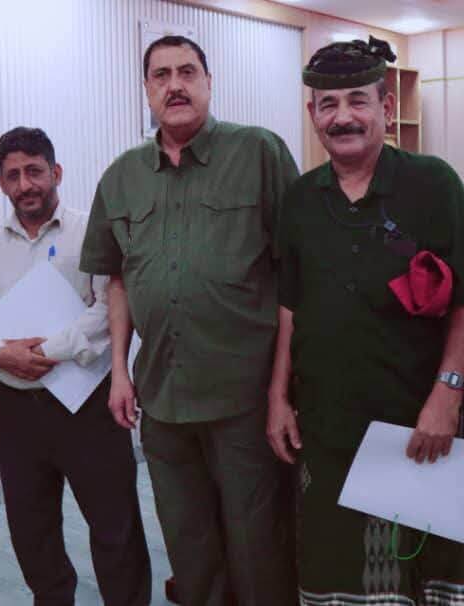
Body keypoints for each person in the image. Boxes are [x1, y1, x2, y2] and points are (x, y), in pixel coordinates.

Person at [267, 37, 464, 605]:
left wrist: (447, 395)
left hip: (415, 424)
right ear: (312, 114)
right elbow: (290, 306)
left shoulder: (433, 184)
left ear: (386, 107)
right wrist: (277, 396)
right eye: (328, 104)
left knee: (418, 574)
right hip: (326, 427)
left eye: (357, 101)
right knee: (334, 574)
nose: (342, 116)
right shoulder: (300, 199)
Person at [80, 35, 300, 605]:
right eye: (161, 75)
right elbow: (118, 277)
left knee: (258, 545)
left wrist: (282, 390)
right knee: (188, 545)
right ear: (146, 89)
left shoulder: (259, 153)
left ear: (208, 81)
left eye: (187, 72)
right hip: (163, 400)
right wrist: (120, 371)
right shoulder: (122, 175)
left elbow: (296, 277)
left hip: (244, 398)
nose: (174, 85)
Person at [0, 126, 151, 605]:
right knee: (32, 532)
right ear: (1, 183)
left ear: (56, 172)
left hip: (87, 404)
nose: (25, 184)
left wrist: (48, 349)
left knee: (115, 528)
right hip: (17, 409)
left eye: (35, 171)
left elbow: (108, 305)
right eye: (13, 176)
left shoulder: (91, 231)